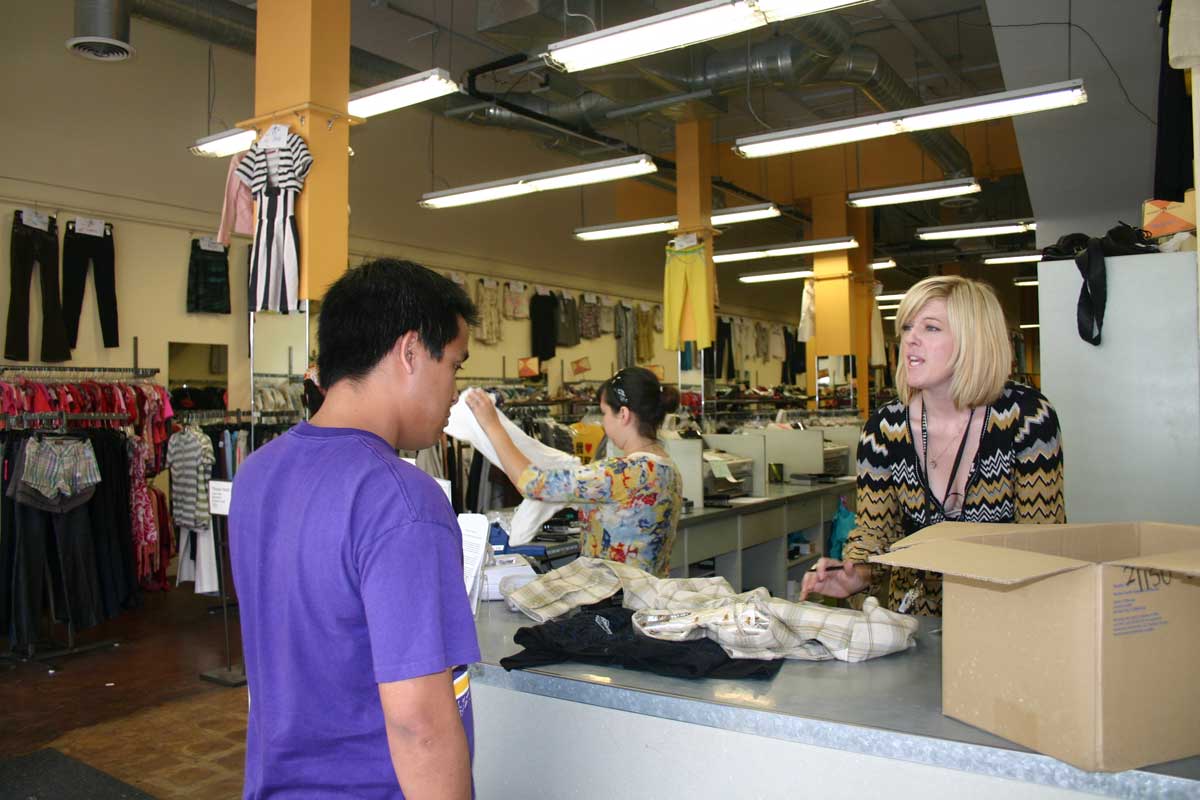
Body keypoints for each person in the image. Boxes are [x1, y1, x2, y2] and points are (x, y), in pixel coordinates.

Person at [230, 259, 481, 799]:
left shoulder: (257, 473)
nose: (456, 392)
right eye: (456, 366)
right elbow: (420, 725)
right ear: (411, 352)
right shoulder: (401, 499)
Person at [802, 275, 1065, 616]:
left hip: (1006, 619)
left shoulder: (1026, 418)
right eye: (908, 327)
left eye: (931, 328)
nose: (910, 340)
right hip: (914, 623)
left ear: (973, 339)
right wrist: (856, 573)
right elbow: (875, 531)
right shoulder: (884, 429)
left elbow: (1043, 541)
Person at [464, 366, 683, 577]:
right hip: (649, 596)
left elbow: (533, 484)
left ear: (623, 414)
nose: (603, 421)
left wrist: (492, 425)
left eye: (605, 413)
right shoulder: (669, 468)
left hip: (615, 601)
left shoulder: (619, 472)